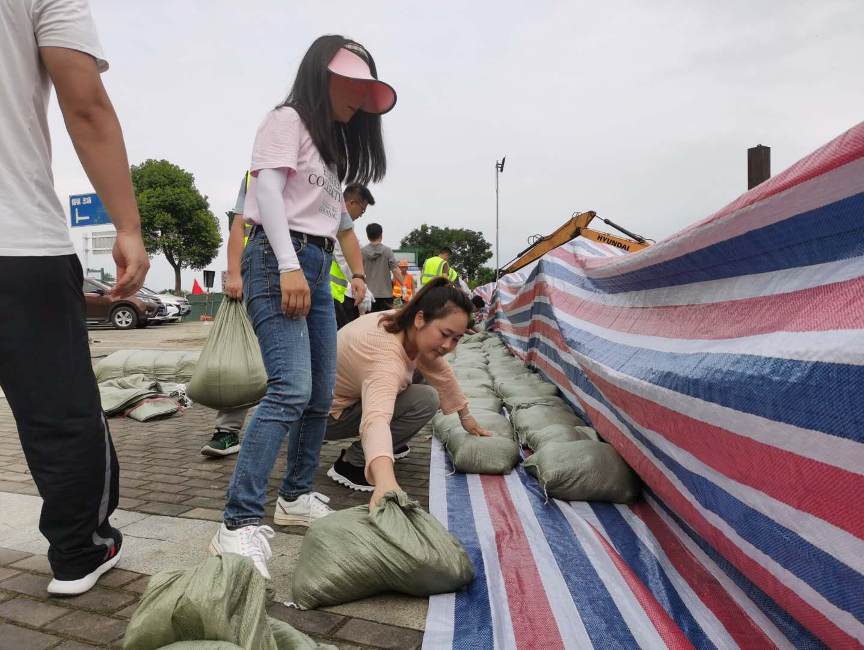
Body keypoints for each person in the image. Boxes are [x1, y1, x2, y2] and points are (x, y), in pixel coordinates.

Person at [211, 35, 396, 579]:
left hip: (315, 267)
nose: (358, 98)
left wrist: (349, 276)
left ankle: (293, 500)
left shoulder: (330, 147)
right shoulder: (287, 118)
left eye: (366, 90)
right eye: (350, 83)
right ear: (321, 74)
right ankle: (237, 523)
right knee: (289, 389)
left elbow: (334, 225)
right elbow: (266, 195)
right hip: (279, 259)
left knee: (319, 393)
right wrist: (289, 266)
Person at [0, 0, 150, 596]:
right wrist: (128, 227)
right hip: (18, 241)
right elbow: (83, 103)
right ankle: (77, 550)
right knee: (61, 413)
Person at [325, 277, 492, 503]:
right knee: (426, 399)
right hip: (323, 418)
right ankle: (352, 463)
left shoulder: (402, 324)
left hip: (343, 399)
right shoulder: (385, 357)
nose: (448, 346)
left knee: (426, 369)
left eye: (456, 339)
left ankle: (389, 443)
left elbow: (441, 373)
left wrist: (466, 415)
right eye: (444, 334)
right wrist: (385, 481)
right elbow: (376, 418)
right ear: (420, 318)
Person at [332, 183, 376, 327]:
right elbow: (344, 261)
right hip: (330, 297)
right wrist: (362, 287)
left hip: (335, 296)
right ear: (351, 203)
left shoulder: (339, 225)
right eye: (361, 210)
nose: (360, 215)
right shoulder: (336, 224)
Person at [362, 222, 405, 312]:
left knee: (369, 322)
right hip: (386, 294)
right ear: (381, 235)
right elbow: (396, 270)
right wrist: (403, 285)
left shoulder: (362, 251)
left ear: (368, 236)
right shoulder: (387, 251)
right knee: (385, 323)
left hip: (368, 295)